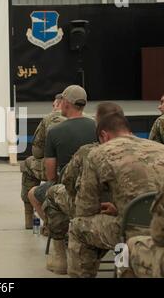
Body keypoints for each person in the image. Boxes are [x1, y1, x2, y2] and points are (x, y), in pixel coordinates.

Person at [67, 113, 164, 278]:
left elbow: (86, 207)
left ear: (104, 135)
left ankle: (120, 268)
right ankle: (123, 269)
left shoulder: (99, 153)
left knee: (78, 226)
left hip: (130, 231)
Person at [43, 102, 124, 274]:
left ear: (100, 126)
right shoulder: (154, 150)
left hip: (99, 215)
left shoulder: (88, 152)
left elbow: (67, 181)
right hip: (137, 222)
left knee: (54, 195)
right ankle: (122, 267)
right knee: (125, 235)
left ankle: (61, 258)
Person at [27, 85, 96, 224]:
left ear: (65, 103)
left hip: (67, 188)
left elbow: (51, 176)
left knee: (32, 194)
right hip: (93, 187)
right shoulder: (96, 125)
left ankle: (56, 229)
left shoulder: (54, 131)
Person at [20, 94, 65, 229]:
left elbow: (37, 152)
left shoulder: (50, 118)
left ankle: (30, 217)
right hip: (81, 170)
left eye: (53, 105)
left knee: (27, 164)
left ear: (58, 104)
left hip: (57, 170)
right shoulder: (89, 119)